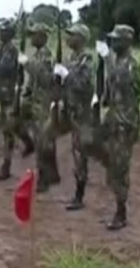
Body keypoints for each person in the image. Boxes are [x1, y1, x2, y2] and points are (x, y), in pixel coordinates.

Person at [86, 24, 140, 230]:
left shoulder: (131, 63)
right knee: (107, 161)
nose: (113, 42)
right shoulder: (117, 60)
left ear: (127, 41)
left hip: (125, 123)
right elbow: (109, 89)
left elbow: (121, 80)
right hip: (113, 120)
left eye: (117, 39)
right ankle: (118, 203)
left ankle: (121, 212)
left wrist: (106, 58)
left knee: (119, 168)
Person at [54, 23, 95, 210]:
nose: (68, 38)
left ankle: (79, 195)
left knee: (80, 153)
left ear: (81, 38)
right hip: (69, 110)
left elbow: (84, 84)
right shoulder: (71, 58)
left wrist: (66, 75)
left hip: (82, 113)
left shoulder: (87, 60)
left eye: (72, 35)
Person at [0, 20, 34, 180]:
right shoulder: (0, 48)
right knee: (14, 125)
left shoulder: (12, 50)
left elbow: (4, 69)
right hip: (3, 93)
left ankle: (6, 166)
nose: (0, 34)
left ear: (10, 34)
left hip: (12, 93)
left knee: (8, 130)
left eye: (4, 31)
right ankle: (29, 142)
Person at [20, 23, 57, 192]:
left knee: (43, 141)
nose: (31, 38)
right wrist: (25, 94)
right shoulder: (36, 55)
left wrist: (27, 65)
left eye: (34, 35)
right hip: (35, 102)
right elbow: (32, 81)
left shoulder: (47, 57)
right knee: (41, 140)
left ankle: (45, 178)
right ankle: (51, 174)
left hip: (44, 103)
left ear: (42, 37)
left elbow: (45, 78)